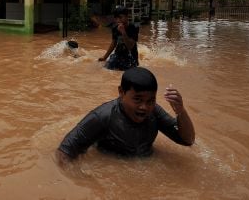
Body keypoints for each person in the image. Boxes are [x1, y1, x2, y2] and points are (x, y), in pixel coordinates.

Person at [56, 67, 195, 162]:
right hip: (111, 165)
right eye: (138, 99)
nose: (144, 107)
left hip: (145, 166)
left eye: (150, 101)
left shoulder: (155, 112)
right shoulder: (103, 116)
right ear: (121, 93)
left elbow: (187, 140)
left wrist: (180, 111)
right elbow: (64, 151)